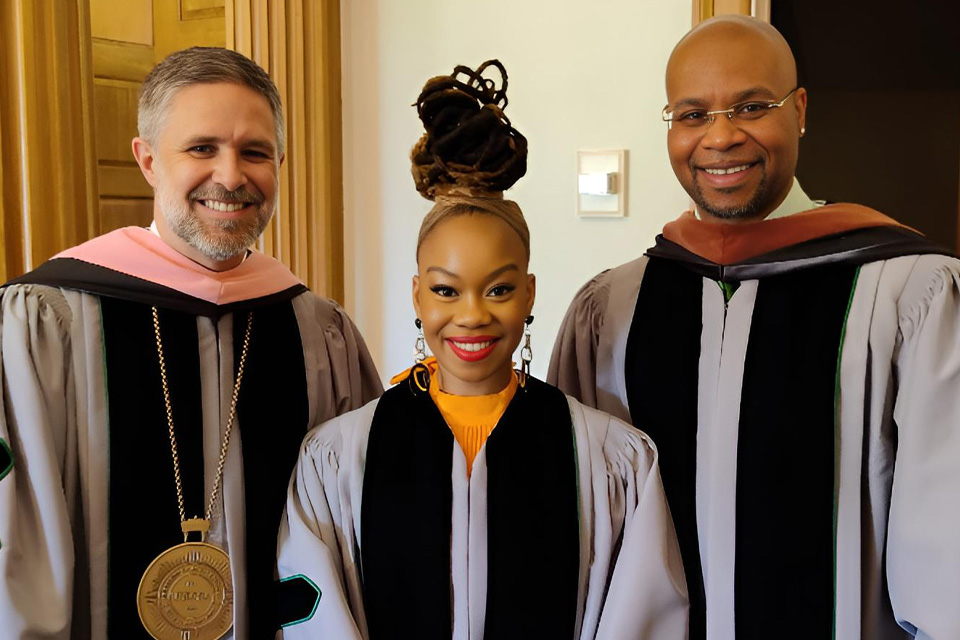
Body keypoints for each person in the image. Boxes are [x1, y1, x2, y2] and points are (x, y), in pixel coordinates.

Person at [550, 14, 960, 640]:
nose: (720, 138)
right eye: (692, 115)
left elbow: (945, 539)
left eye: (750, 107)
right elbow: (577, 521)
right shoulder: (613, 309)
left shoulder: (906, 294)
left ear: (799, 109)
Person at [277, 60, 688, 639]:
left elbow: (644, 615)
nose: (472, 314)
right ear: (417, 295)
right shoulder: (338, 457)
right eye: (446, 290)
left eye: (499, 288)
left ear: (529, 294)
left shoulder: (610, 458)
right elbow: (311, 611)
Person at [0, 47, 382, 639]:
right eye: (201, 148)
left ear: (280, 161)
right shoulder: (50, 321)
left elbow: (357, 524)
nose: (230, 176)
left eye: (254, 152)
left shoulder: (317, 329)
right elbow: (14, 537)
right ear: (148, 159)